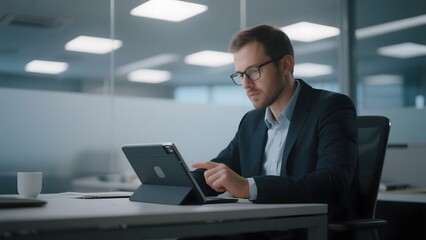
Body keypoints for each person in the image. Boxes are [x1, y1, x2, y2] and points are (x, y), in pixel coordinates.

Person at [190, 24, 359, 240]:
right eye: (240, 75)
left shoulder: (331, 107)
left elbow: (333, 181)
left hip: (308, 231)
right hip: (258, 230)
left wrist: (248, 187)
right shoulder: (251, 122)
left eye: (253, 71)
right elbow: (220, 170)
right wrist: (175, 183)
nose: (245, 84)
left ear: (286, 65)